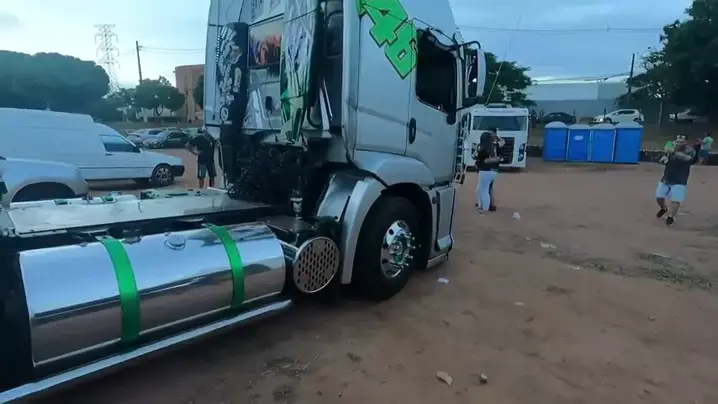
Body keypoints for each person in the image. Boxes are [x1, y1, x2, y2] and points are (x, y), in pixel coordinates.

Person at [656, 134, 695, 226]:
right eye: (677, 141)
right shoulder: (670, 148)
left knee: (675, 200)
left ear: (686, 142)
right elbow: (663, 159)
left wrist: (673, 152)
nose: (678, 143)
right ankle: (663, 208)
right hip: (667, 177)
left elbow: (687, 159)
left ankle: (670, 217)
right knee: (659, 197)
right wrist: (662, 159)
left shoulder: (690, 151)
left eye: (681, 142)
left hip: (680, 179)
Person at [472, 131, 501, 213]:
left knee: (484, 190)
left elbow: (475, 157)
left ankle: (484, 208)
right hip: (493, 171)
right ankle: (481, 205)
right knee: (481, 189)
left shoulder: (482, 149)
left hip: (484, 171)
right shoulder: (493, 147)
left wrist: (476, 149)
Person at [486, 127, 505, 212]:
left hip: (493, 168)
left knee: (489, 187)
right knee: (487, 186)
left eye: (491, 133)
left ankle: (491, 204)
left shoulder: (496, 144)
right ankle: (487, 203)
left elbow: (503, 142)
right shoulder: (487, 144)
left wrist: (497, 137)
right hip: (487, 168)